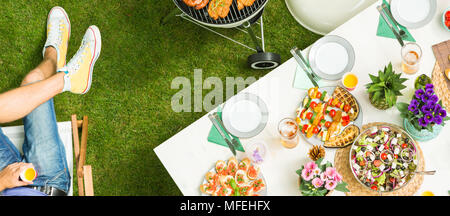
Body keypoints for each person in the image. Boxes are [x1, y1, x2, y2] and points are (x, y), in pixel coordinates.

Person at [0, 6, 101, 196]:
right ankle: (64, 75)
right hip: (47, 183)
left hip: (3, 180)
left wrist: (2, 181)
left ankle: (55, 58)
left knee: (34, 81)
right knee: (34, 81)